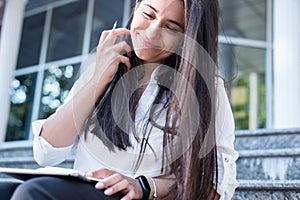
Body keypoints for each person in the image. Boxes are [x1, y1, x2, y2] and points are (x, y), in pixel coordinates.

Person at [1, 0, 239, 199]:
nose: (152, 32)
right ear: (136, 7)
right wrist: (97, 80)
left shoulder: (205, 89)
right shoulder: (102, 65)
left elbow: (215, 186)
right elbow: (46, 153)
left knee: (34, 193)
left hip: (135, 196)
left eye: (172, 28)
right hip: (86, 189)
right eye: (148, 14)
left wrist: (143, 186)